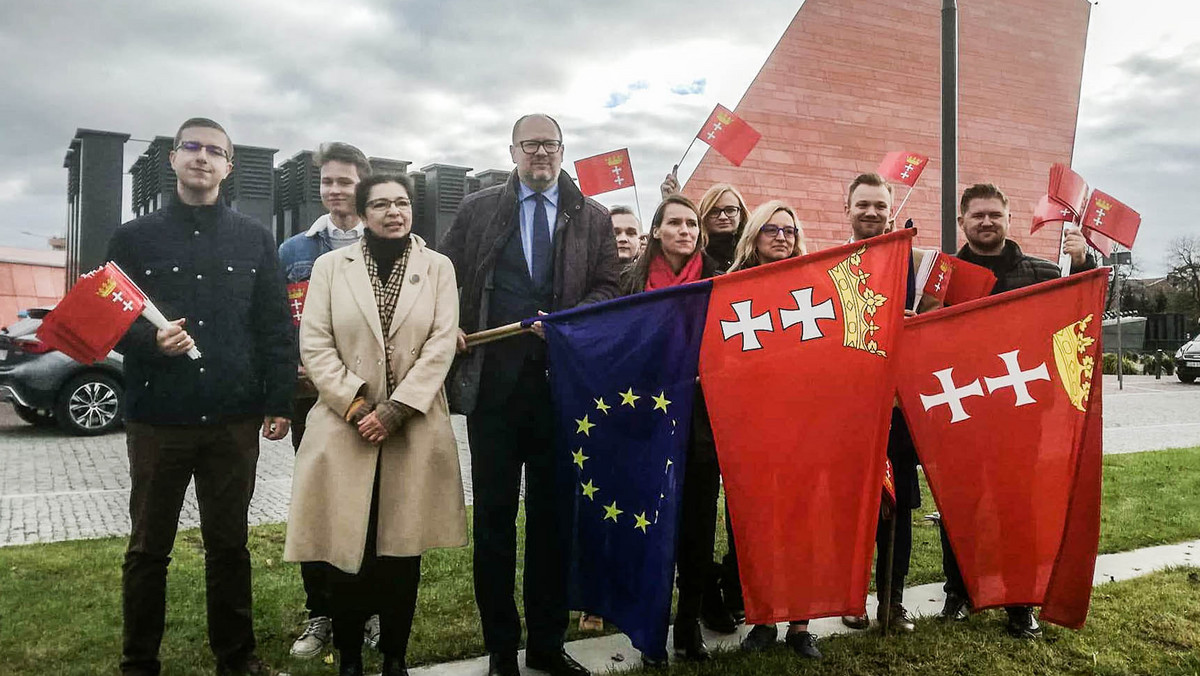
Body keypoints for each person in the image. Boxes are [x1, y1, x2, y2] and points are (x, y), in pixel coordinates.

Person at [107, 117, 295, 676]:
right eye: (192, 147)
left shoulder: (254, 238)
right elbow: (107, 320)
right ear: (172, 158)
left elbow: (275, 326)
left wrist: (279, 400)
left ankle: (237, 660)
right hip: (158, 419)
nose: (202, 158)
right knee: (147, 550)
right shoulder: (132, 238)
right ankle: (139, 662)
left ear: (229, 167)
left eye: (216, 151)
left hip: (232, 420)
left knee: (230, 546)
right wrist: (150, 338)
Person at [439, 114, 621, 676]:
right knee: (494, 520)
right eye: (530, 144)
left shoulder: (590, 217)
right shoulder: (478, 209)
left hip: (559, 391)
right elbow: (445, 276)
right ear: (512, 149)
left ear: (563, 150)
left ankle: (546, 644)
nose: (540, 152)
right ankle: (501, 650)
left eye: (549, 143)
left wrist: (567, 321)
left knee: (552, 523)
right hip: (494, 388)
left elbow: (610, 286)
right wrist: (455, 324)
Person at [284, 172, 467, 676]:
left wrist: (398, 408)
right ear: (363, 214)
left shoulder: (437, 268)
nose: (394, 212)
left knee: (401, 552)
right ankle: (347, 658)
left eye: (402, 203)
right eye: (382, 204)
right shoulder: (329, 267)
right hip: (346, 427)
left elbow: (440, 342)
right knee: (347, 549)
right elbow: (314, 343)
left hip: (412, 426)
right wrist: (357, 404)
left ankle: (394, 659)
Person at [939, 182, 1094, 638]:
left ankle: (1020, 602)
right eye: (977, 215)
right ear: (962, 221)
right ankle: (959, 591)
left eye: (995, 214)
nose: (986, 222)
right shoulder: (943, 276)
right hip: (962, 412)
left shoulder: (1046, 273)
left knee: (1019, 509)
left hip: (1022, 415)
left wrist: (1084, 264)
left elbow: (1082, 312)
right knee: (960, 506)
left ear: (1008, 219)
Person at [277, 141, 374, 659]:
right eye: (327, 182)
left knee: (374, 503)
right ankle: (323, 612)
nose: (335, 191)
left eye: (344, 181)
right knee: (319, 505)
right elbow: (277, 326)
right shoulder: (294, 252)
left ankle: (374, 609)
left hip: (371, 401)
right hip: (312, 402)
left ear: (363, 182)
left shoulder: (385, 241)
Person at [619, 194, 723, 664]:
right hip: (648, 421)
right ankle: (651, 631)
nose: (684, 230)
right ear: (656, 231)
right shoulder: (630, 282)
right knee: (653, 528)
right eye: (674, 222)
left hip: (703, 421)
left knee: (698, 530)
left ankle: (688, 627)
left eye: (691, 223)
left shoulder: (720, 278)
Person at [723, 201, 822, 659]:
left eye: (788, 230)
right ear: (754, 236)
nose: (781, 237)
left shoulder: (813, 283)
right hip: (753, 425)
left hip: (802, 422)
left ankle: (800, 626)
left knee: (801, 524)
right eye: (771, 230)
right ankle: (762, 619)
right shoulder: (732, 288)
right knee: (756, 524)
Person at [837, 172, 922, 634]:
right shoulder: (828, 261)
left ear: (890, 210)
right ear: (846, 207)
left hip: (898, 408)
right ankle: (852, 598)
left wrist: (917, 320)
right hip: (850, 406)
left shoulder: (916, 260)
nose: (871, 212)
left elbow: (939, 320)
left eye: (878, 205)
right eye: (862, 204)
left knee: (900, 504)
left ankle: (893, 600)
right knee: (853, 506)